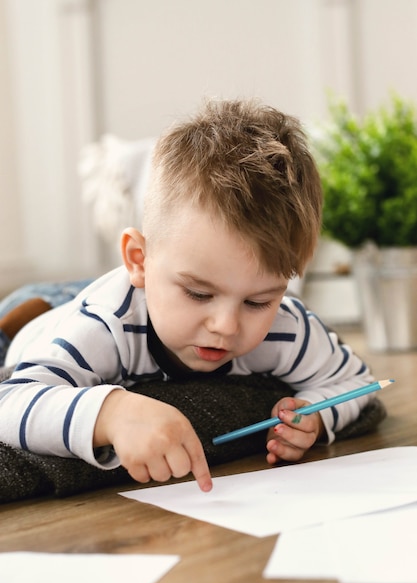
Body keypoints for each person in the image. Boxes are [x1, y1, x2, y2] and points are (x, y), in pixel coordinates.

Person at [0, 98, 375, 493]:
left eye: (257, 301)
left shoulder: (288, 327)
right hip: (48, 319)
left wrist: (315, 418)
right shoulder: (104, 324)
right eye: (198, 293)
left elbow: (355, 382)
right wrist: (112, 413)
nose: (226, 326)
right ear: (138, 259)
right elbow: (10, 402)